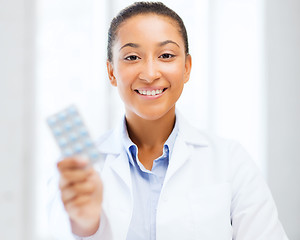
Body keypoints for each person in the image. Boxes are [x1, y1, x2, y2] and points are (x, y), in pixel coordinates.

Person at [48, 2, 289, 240]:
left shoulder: (231, 161)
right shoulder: (79, 171)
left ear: (186, 67)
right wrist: (86, 227)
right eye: (132, 57)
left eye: (166, 55)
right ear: (111, 72)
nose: (150, 73)